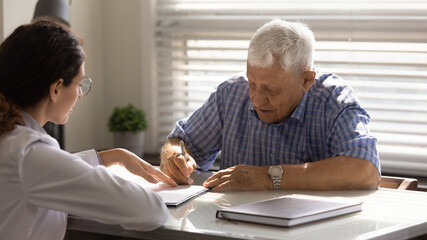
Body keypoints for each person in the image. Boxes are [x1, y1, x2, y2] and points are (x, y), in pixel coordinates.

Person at [0, 18, 177, 240]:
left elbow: (44, 173)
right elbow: (150, 211)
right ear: (55, 89)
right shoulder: (28, 152)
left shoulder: (12, 139)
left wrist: (109, 157)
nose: (80, 94)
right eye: (79, 84)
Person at [160, 19, 381, 192]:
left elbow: (365, 170)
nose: (257, 99)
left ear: (307, 80)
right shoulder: (230, 93)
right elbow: (180, 142)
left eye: (272, 90)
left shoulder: (335, 100)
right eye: (253, 83)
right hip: (232, 226)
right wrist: (174, 158)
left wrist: (269, 176)